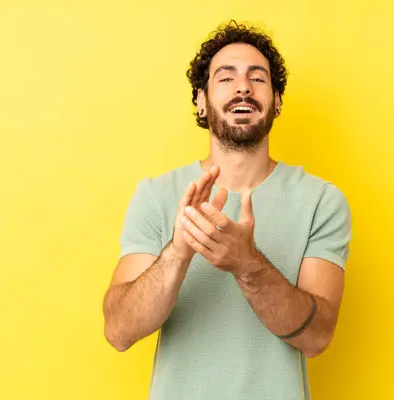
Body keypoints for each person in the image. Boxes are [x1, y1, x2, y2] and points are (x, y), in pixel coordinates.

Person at [102, 20, 352, 400]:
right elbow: (118, 331)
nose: (243, 87)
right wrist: (179, 251)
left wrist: (246, 263)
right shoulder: (156, 195)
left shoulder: (322, 201)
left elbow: (316, 337)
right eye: (225, 78)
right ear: (201, 100)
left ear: (277, 99)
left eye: (258, 78)